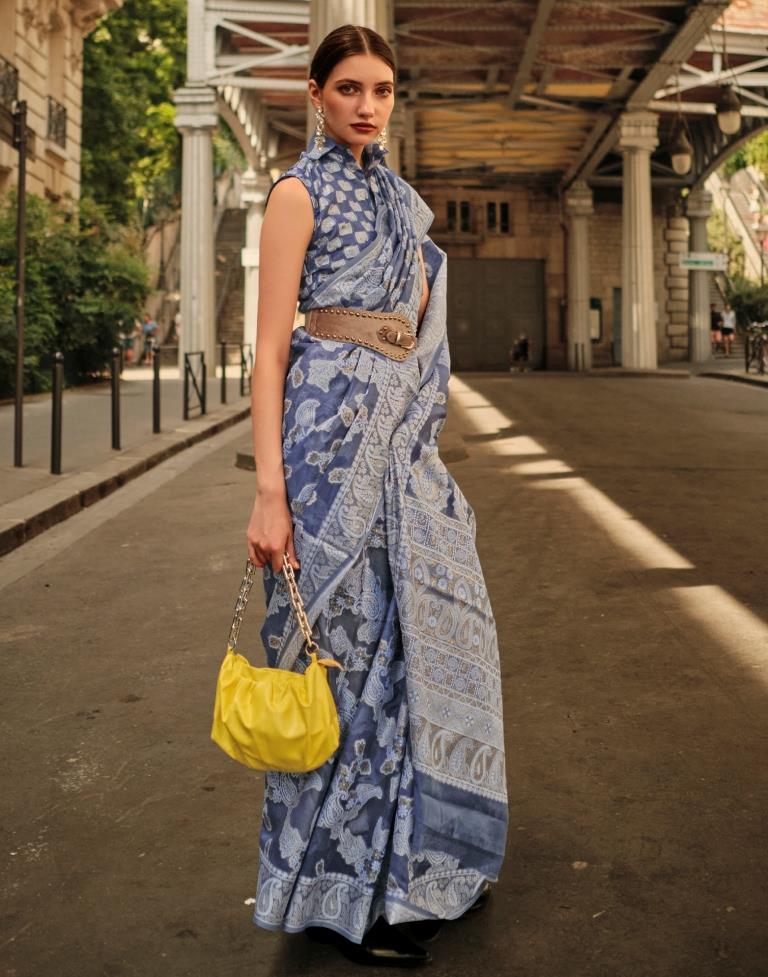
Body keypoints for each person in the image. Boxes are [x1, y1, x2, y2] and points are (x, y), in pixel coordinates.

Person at [244, 24, 508, 969]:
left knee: (421, 656)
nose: (366, 104)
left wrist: (422, 447)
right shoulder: (294, 193)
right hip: (323, 456)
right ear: (314, 95)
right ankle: (337, 897)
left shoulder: (404, 202)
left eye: (383, 89)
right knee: (343, 669)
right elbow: (271, 349)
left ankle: (418, 869)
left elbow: (419, 337)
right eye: (348, 87)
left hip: (404, 456)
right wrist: (270, 493)